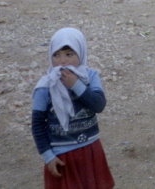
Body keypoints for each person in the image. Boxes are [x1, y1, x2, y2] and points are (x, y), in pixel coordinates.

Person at [31, 27, 114, 189]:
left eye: (69, 54)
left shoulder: (90, 77)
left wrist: (76, 85)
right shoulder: (45, 86)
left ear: (80, 54)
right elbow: (37, 124)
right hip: (62, 156)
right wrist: (48, 156)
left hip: (90, 150)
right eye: (56, 55)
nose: (62, 61)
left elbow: (98, 105)